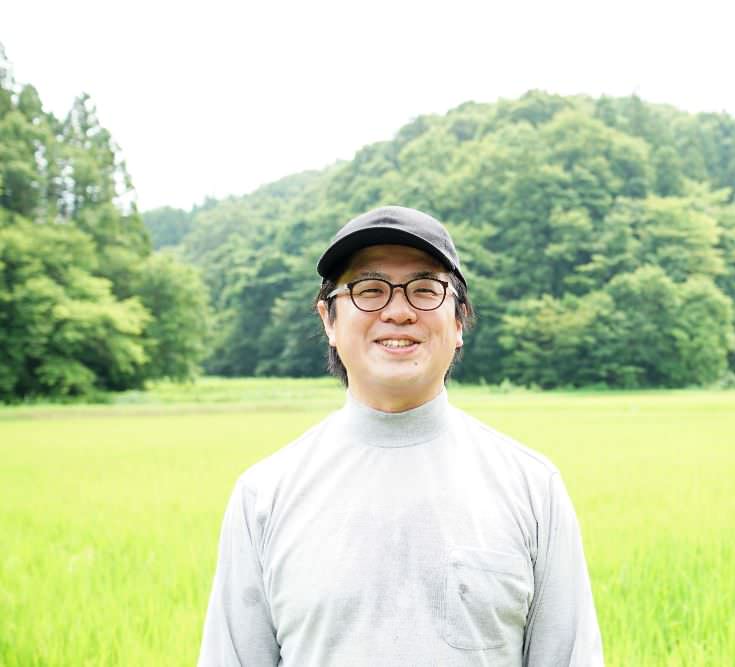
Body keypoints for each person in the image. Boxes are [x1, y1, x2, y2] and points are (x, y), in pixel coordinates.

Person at [197, 206, 604, 666]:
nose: (398, 311)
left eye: (425, 290)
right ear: (329, 320)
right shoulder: (264, 496)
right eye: (369, 290)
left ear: (458, 322)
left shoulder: (532, 488)